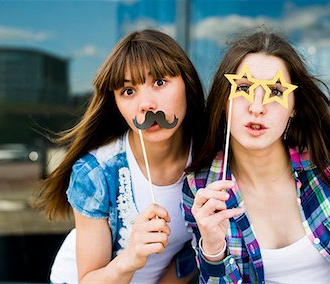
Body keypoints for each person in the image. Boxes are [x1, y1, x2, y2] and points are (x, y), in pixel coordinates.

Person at [182, 30, 330, 283]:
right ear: (225, 99)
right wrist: (213, 250)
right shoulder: (202, 188)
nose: (257, 107)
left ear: (294, 108)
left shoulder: (327, 165)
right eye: (244, 88)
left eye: (276, 92)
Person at [33, 29, 205, 283]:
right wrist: (130, 257)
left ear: (187, 84)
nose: (145, 104)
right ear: (117, 104)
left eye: (159, 82)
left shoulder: (210, 159)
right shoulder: (96, 172)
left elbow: (191, 256)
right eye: (128, 91)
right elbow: (89, 279)